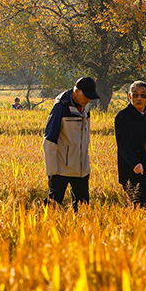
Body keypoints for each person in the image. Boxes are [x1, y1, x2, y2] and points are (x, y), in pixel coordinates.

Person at [43, 77, 97, 210]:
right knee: (54, 206)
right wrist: (52, 171)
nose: (89, 100)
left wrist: (86, 163)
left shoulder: (85, 107)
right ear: (77, 91)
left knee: (83, 208)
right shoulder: (60, 108)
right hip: (60, 169)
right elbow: (49, 140)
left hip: (81, 168)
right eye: (87, 96)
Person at [114, 81, 146, 207]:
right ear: (130, 96)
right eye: (135, 95)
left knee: (145, 203)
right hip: (131, 170)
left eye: (142, 95)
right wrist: (134, 163)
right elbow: (123, 144)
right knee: (136, 206)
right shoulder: (122, 117)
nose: (138, 98)